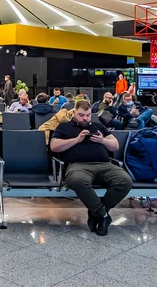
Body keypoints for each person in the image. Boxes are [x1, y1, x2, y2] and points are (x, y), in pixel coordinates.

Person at [51, 100, 131, 236]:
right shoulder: (64, 127)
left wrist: (102, 141)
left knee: (125, 181)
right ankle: (103, 215)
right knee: (78, 181)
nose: (85, 118)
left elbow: (115, 145)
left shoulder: (98, 126)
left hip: (104, 165)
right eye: (81, 115)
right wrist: (76, 140)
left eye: (88, 115)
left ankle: (97, 212)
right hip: (78, 166)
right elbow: (54, 146)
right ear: (74, 112)